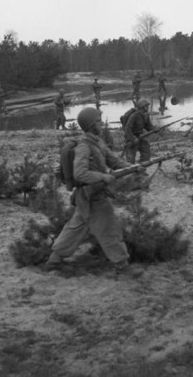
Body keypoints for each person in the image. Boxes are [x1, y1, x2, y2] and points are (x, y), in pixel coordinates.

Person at [45, 107, 143, 277]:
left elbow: (115, 161)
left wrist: (134, 167)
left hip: (92, 195)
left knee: (76, 227)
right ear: (90, 125)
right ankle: (122, 265)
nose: (101, 123)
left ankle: (54, 260)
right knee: (109, 228)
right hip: (91, 195)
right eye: (98, 121)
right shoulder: (84, 147)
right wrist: (103, 177)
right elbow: (80, 173)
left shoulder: (98, 142)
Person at [124, 98, 154, 164]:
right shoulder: (134, 116)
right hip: (131, 138)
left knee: (146, 154)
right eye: (146, 106)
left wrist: (155, 129)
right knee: (130, 159)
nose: (148, 107)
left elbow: (148, 126)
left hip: (140, 136)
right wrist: (133, 138)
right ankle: (131, 172)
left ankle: (141, 169)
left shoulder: (146, 115)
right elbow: (127, 129)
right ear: (142, 107)